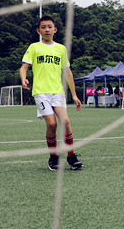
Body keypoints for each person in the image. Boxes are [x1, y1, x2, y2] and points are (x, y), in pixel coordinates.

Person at [20, 15, 83, 170]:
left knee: (65, 122)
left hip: (58, 92)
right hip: (41, 92)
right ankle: (53, 157)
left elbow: (67, 72)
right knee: (52, 124)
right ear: (38, 31)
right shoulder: (34, 47)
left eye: (49, 27)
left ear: (55, 30)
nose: (47, 29)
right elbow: (23, 67)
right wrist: (23, 79)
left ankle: (71, 156)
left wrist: (74, 95)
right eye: (43, 27)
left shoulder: (61, 49)